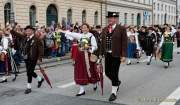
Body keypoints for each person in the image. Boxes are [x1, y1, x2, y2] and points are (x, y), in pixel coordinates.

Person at [60, 23, 100, 96]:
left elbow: (95, 46)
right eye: (82, 28)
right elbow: (71, 34)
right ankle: (82, 90)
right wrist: (62, 31)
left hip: (88, 56)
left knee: (90, 71)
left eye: (85, 28)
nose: (84, 29)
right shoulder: (80, 35)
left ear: (88, 28)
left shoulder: (91, 36)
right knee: (80, 71)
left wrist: (90, 48)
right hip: (80, 56)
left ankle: (94, 83)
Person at [100, 12, 127, 101]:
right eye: (109, 18)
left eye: (113, 18)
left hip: (116, 54)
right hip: (107, 54)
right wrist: (100, 54)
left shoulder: (121, 29)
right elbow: (102, 43)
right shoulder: (105, 29)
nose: (111, 19)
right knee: (107, 72)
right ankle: (117, 82)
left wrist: (123, 55)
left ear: (116, 19)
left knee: (114, 73)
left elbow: (124, 43)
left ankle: (113, 92)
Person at [10, 25, 44, 94]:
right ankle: (40, 79)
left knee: (29, 72)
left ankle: (29, 87)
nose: (27, 32)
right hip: (26, 58)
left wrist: (39, 59)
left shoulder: (37, 39)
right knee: (30, 71)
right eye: (26, 31)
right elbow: (18, 34)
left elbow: (41, 50)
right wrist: (11, 30)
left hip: (33, 58)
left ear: (32, 31)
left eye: (29, 31)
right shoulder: (25, 37)